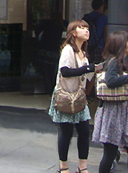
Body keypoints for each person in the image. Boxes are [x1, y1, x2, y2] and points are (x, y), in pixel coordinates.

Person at [92, 31, 128, 173]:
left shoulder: (119, 62)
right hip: (112, 112)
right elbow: (111, 82)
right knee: (110, 153)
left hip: (120, 112)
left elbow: (125, 82)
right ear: (123, 45)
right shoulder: (113, 62)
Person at [49, 19, 96, 173]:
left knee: (84, 131)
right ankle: (64, 167)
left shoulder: (83, 53)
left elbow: (86, 77)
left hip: (79, 99)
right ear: (74, 33)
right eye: (82, 28)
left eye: (87, 28)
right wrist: (85, 69)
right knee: (66, 132)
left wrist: (94, 71)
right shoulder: (68, 50)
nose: (86, 31)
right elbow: (65, 71)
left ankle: (82, 167)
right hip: (66, 97)